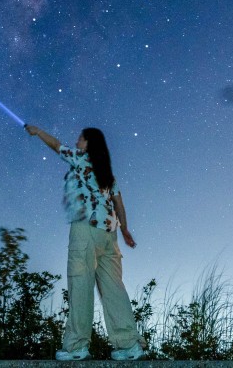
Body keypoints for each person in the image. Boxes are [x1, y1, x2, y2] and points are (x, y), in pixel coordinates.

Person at [24, 123, 146, 361]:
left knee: (80, 285)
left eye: (80, 139)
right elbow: (119, 203)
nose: (77, 142)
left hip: (86, 229)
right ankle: (129, 345)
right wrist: (126, 230)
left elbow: (56, 146)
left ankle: (77, 346)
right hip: (109, 235)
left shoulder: (81, 159)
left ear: (89, 144)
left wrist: (38, 132)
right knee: (114, 288)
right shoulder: (108, 174)